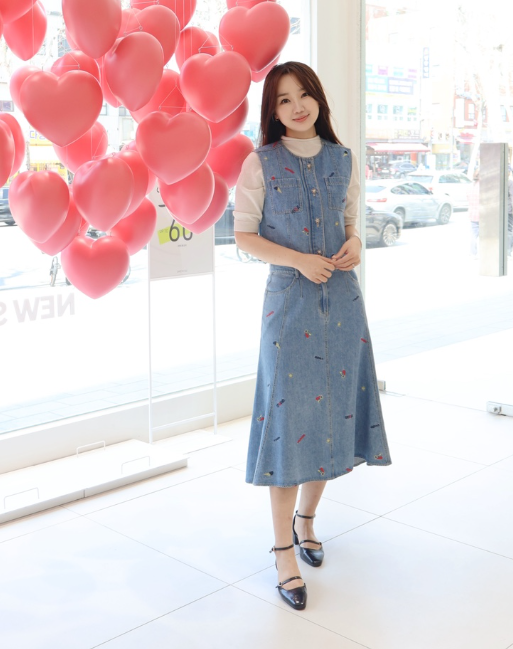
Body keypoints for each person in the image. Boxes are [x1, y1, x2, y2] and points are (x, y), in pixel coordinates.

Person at [233, 61, 392, 611]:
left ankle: (307, 520)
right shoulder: (260, 163)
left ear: (319, 99)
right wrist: (299, 260)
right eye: (284, 100)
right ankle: (283, 552)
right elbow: (243, 235)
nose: (297, 106)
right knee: (288, 427)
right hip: (289, 306)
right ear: (272, 111)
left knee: (329, 421)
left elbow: (350, 223)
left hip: (343, 303)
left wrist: (355, 243)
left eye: (304, 95)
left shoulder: (343, 159)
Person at [467, 168, 480, 257]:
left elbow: (468, 198)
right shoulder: (484, 186)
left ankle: (473, 253)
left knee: (473, 234)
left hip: (473, 213)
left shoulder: (471, 186)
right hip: (483, 214)